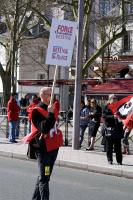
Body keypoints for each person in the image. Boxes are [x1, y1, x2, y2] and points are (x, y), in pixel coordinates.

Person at [23, 87, 62, 200]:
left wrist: (52, 113)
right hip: (44, 151)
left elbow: (52, 125)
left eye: (53, 95)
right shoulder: (36, 111)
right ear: (43, 96)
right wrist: (50, 114)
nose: (52, 97)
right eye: (50, 95)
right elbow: (44, 128)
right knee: (44, 179)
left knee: (45, 175)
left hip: (53, 150)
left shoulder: (52, 108)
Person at [102, 94, 124, 165]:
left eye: (116, 98)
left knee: (118, 147)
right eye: (114, 98)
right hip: (109, 128)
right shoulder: (106, 107)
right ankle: (110, 160)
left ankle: (119, 161)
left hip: (118, 128)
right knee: (109, 146)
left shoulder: (119, 107)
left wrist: (121, 117)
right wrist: (112, 116)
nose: (116, 99)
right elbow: (104, 116)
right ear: (110, 99)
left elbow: (124, 115)